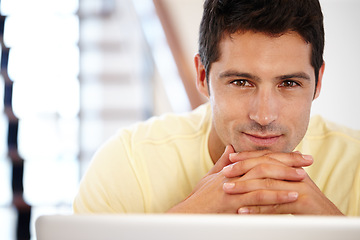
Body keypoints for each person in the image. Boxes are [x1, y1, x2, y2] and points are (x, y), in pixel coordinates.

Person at [73, 0, 360, 216]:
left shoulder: (355, 165)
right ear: (202, 77)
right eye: (241, 82)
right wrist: (182, 223)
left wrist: (335, 227)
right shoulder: (127, 164)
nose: (263, 116)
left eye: (289, 83)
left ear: (318, 81)